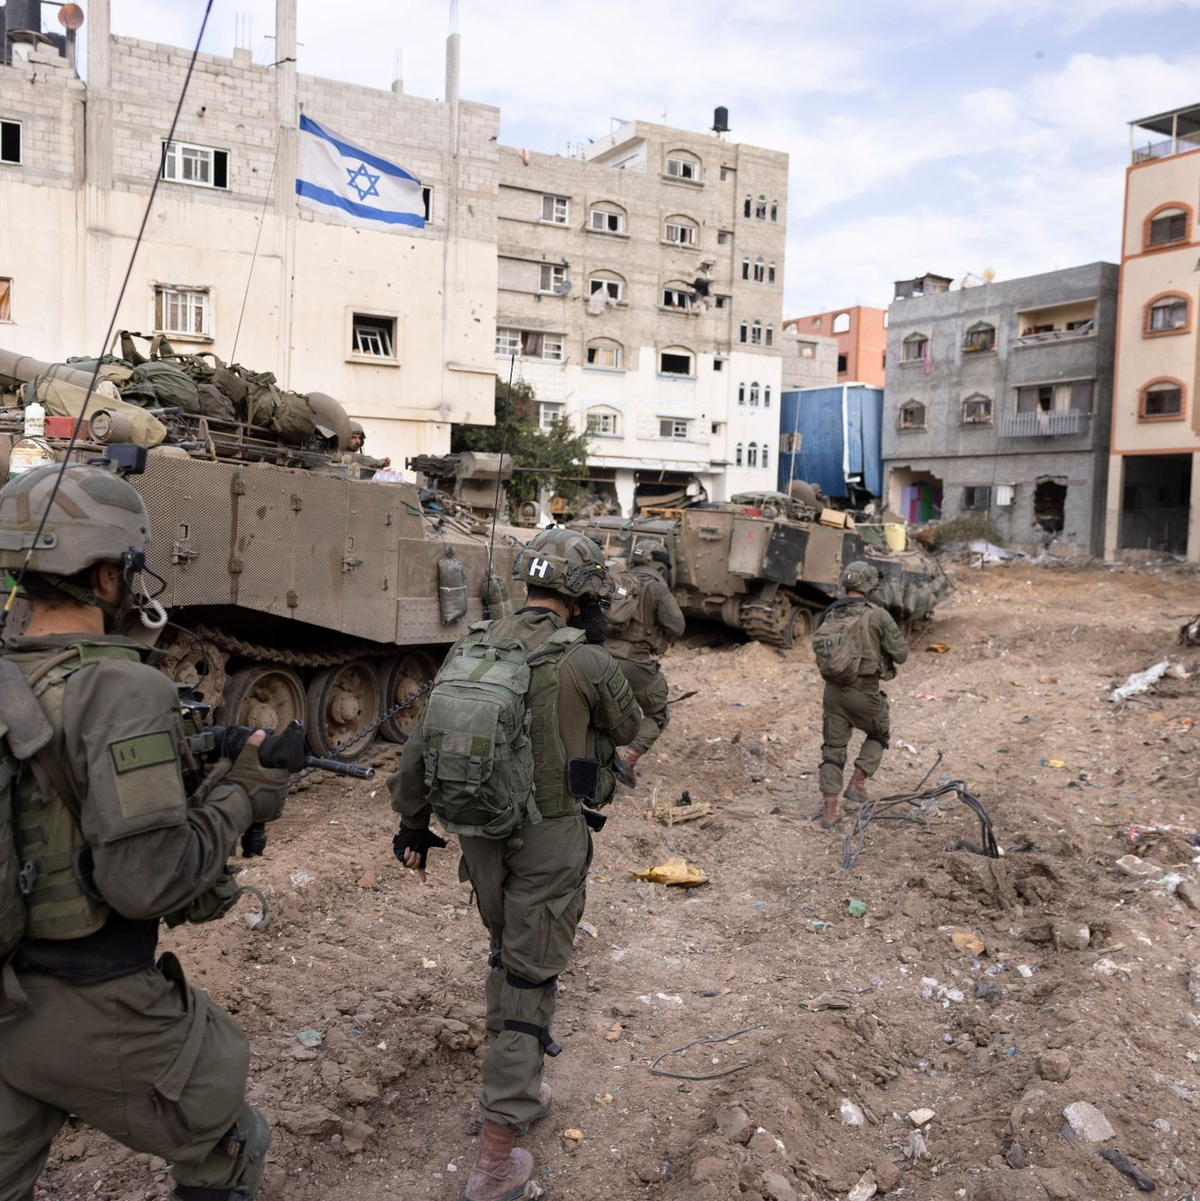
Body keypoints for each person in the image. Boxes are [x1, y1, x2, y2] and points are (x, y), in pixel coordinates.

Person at [0, 462, 294, 1201]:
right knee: (232, 1140)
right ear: (106, 575)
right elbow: (147, 882)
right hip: (85, 997)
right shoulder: (124, 687)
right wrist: (241, 797)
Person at [388, 527, 641, 1201]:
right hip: (549, 839)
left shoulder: (473, 642)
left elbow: (420, 745)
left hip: (479, 837)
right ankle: (495, 1160)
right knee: (531, 981)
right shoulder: (584, 661)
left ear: (527, 584)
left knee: (506, 955)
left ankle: (515, 1081)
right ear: (584, 595)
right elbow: (630, 726)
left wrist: (412, 823)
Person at [815, 560, 909, 829]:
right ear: (870, 586)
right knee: (880, 732)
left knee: (833, 750)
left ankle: (830, 809)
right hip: (864, 691)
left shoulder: (831, 613)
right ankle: (857, 784)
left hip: (833, 692)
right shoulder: (878, 615)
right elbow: (901, 654)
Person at [606, 542, 686, 783]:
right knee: (658, 713)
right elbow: (677, 626)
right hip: (635, 662)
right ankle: (627, 760)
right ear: (659, 566)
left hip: (599, 657)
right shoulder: (657, 589)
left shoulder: (616, 580)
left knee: (600, 712)